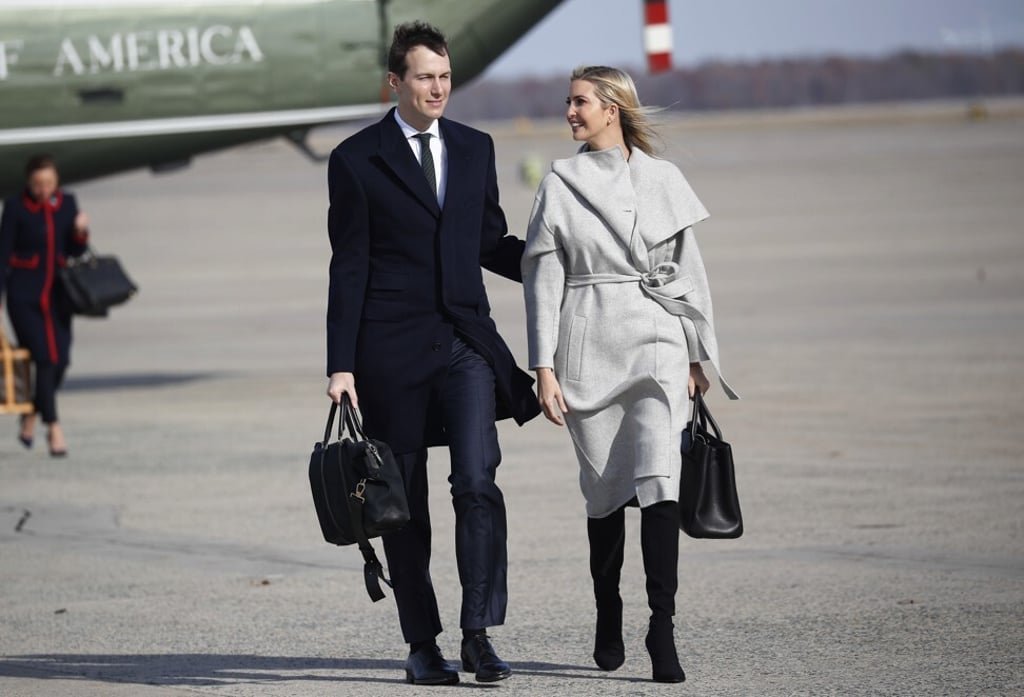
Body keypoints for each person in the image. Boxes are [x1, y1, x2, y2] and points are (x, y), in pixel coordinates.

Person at [324, 21, 539, 687]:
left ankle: (479, 634)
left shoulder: (475, 148)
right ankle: (422, 643)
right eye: (425, 77)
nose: (438, 87)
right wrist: (341, 364)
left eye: (445, 76)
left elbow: (487, 239)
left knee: (478, 481)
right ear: (396, 81)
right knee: (403, 504)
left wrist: (559, 264)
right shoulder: (357, 159)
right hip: (389, 352)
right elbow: (349, 267)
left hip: (466, 344)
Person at [522, 66, 739, 684]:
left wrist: (697, 354)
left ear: (613, 107)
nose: (569, 111)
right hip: (588, 347)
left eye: (580, 102)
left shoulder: (663, 178)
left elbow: (688, 271)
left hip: (656, 343)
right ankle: (607, 608)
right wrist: (543, 367)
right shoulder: (559, 183)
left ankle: (662, 627)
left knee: (659, 482)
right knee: (603, 493)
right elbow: (544, 282)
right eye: (567, 101)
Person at [0, 154, 90, 457]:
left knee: (62, 360)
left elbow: (77, 249)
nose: (44, 190)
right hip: (24, 297)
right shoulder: (15, 208)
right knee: (44, 359)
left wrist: (80, 230)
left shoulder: (67, 204)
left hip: (58, 297)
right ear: (29, 182)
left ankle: (31, 414)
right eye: (38, 184)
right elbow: (2, 256)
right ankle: (54, 428)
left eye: (50, 183)